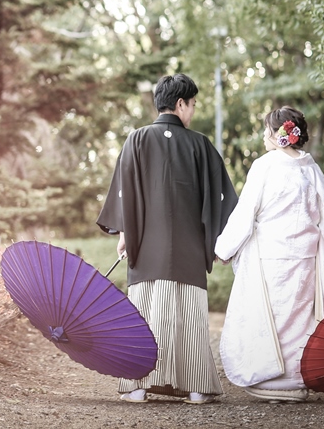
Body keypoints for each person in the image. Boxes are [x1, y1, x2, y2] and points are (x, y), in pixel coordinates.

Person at [96, 74, 237, 404]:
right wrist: (217, 241)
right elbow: (222, 198)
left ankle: (138, 386)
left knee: (145, 315)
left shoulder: (137, 139)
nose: (194, 111)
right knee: (189, 318)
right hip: (190, 250)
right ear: (180, 104)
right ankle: (197, 388)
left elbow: (125, 193)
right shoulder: (201, 145)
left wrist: (126, 234)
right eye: (193, 104)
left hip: (146, 247)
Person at [214, 106, 324, 403]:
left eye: (267, 130)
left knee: (271, 318)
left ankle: (272, 380)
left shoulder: (264, 166)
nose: (264, 135)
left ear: (279, 133)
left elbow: (245, 213)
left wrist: (224, 249)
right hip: (305, 258)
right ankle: (296, 380)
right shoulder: (310, 167)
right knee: (300, 318)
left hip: (270, 256)